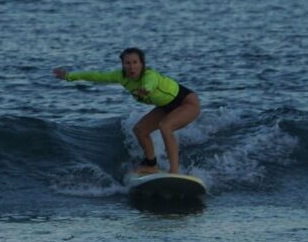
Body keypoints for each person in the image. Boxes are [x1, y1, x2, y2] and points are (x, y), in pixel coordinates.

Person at [53, 48, 200, 175]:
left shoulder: (150, 76)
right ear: (123, 65)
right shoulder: (120, 76)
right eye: (127, 63)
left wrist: (146, 89)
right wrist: (68, 76)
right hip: (165, 106)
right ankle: (151, 165)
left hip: (187, 102)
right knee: (140, 129)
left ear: (142, 64)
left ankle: (174, 171)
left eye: (135, 63)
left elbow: (151, 83)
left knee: (165, 126)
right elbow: (96, 75)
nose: (131, 67)